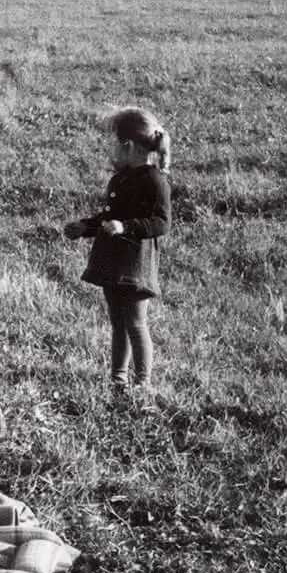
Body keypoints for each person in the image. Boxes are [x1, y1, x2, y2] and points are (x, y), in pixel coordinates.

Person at [63, 107, 172, 393]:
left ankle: (143, 384)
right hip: (112, 261)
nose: (111, 148)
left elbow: (161, 223)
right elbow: (108, 216)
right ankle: (118, 380)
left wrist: (126, 227)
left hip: (136, 264)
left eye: (114, 142)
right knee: (117, 322)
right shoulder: (121, 178)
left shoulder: (155, 180)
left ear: (129, 146)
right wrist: (85, 227)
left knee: (135, 323)